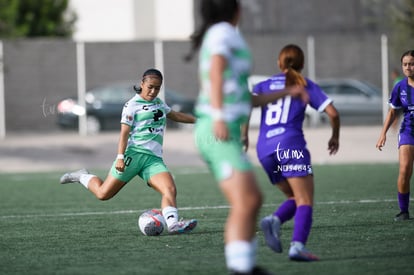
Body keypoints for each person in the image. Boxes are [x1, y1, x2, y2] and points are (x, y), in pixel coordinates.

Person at [185, 1, 308, 274]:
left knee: (250, 199)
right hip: (217, 129)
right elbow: (216, 68)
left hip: (220, 129)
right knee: (247, 200)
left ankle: (245, 266)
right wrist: (218, 115)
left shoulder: (222, 35)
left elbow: (247, 98)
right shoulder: (223, 33)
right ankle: (242, 268)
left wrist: (287, 93)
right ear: (236, 10)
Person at [59, 68, 198, 234]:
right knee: (103, 194)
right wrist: (120, 157)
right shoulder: (131, 105)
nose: (153, 91)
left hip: (153, 160)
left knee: (170, 189)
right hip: (132, 156)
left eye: (157, 88)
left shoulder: (159, 103)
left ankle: (173, 224)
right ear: (142, 84)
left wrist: (200, 121)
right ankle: (82, 175)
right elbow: (124, 134)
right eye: (150, 87)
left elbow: (175, 115)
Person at [253, 44, 340, 261]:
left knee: (294, 196)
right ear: (302, 64)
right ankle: (297, 246)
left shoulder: (264, 85)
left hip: (264, 149)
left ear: (279, 63)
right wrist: (335, 136)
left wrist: (245, 135)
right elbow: (333, 113)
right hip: (291, 145)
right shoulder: (304, 84)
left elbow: (247, 105)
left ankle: (274, 221)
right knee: (305, 200)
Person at [376, 50, 414, 221]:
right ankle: (404, 211)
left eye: (411, 64)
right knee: (405, 169)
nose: (408, 67)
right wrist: (382, 134)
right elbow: (392, 113)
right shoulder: (400, 87)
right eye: (405, 64)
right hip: (408, 131)